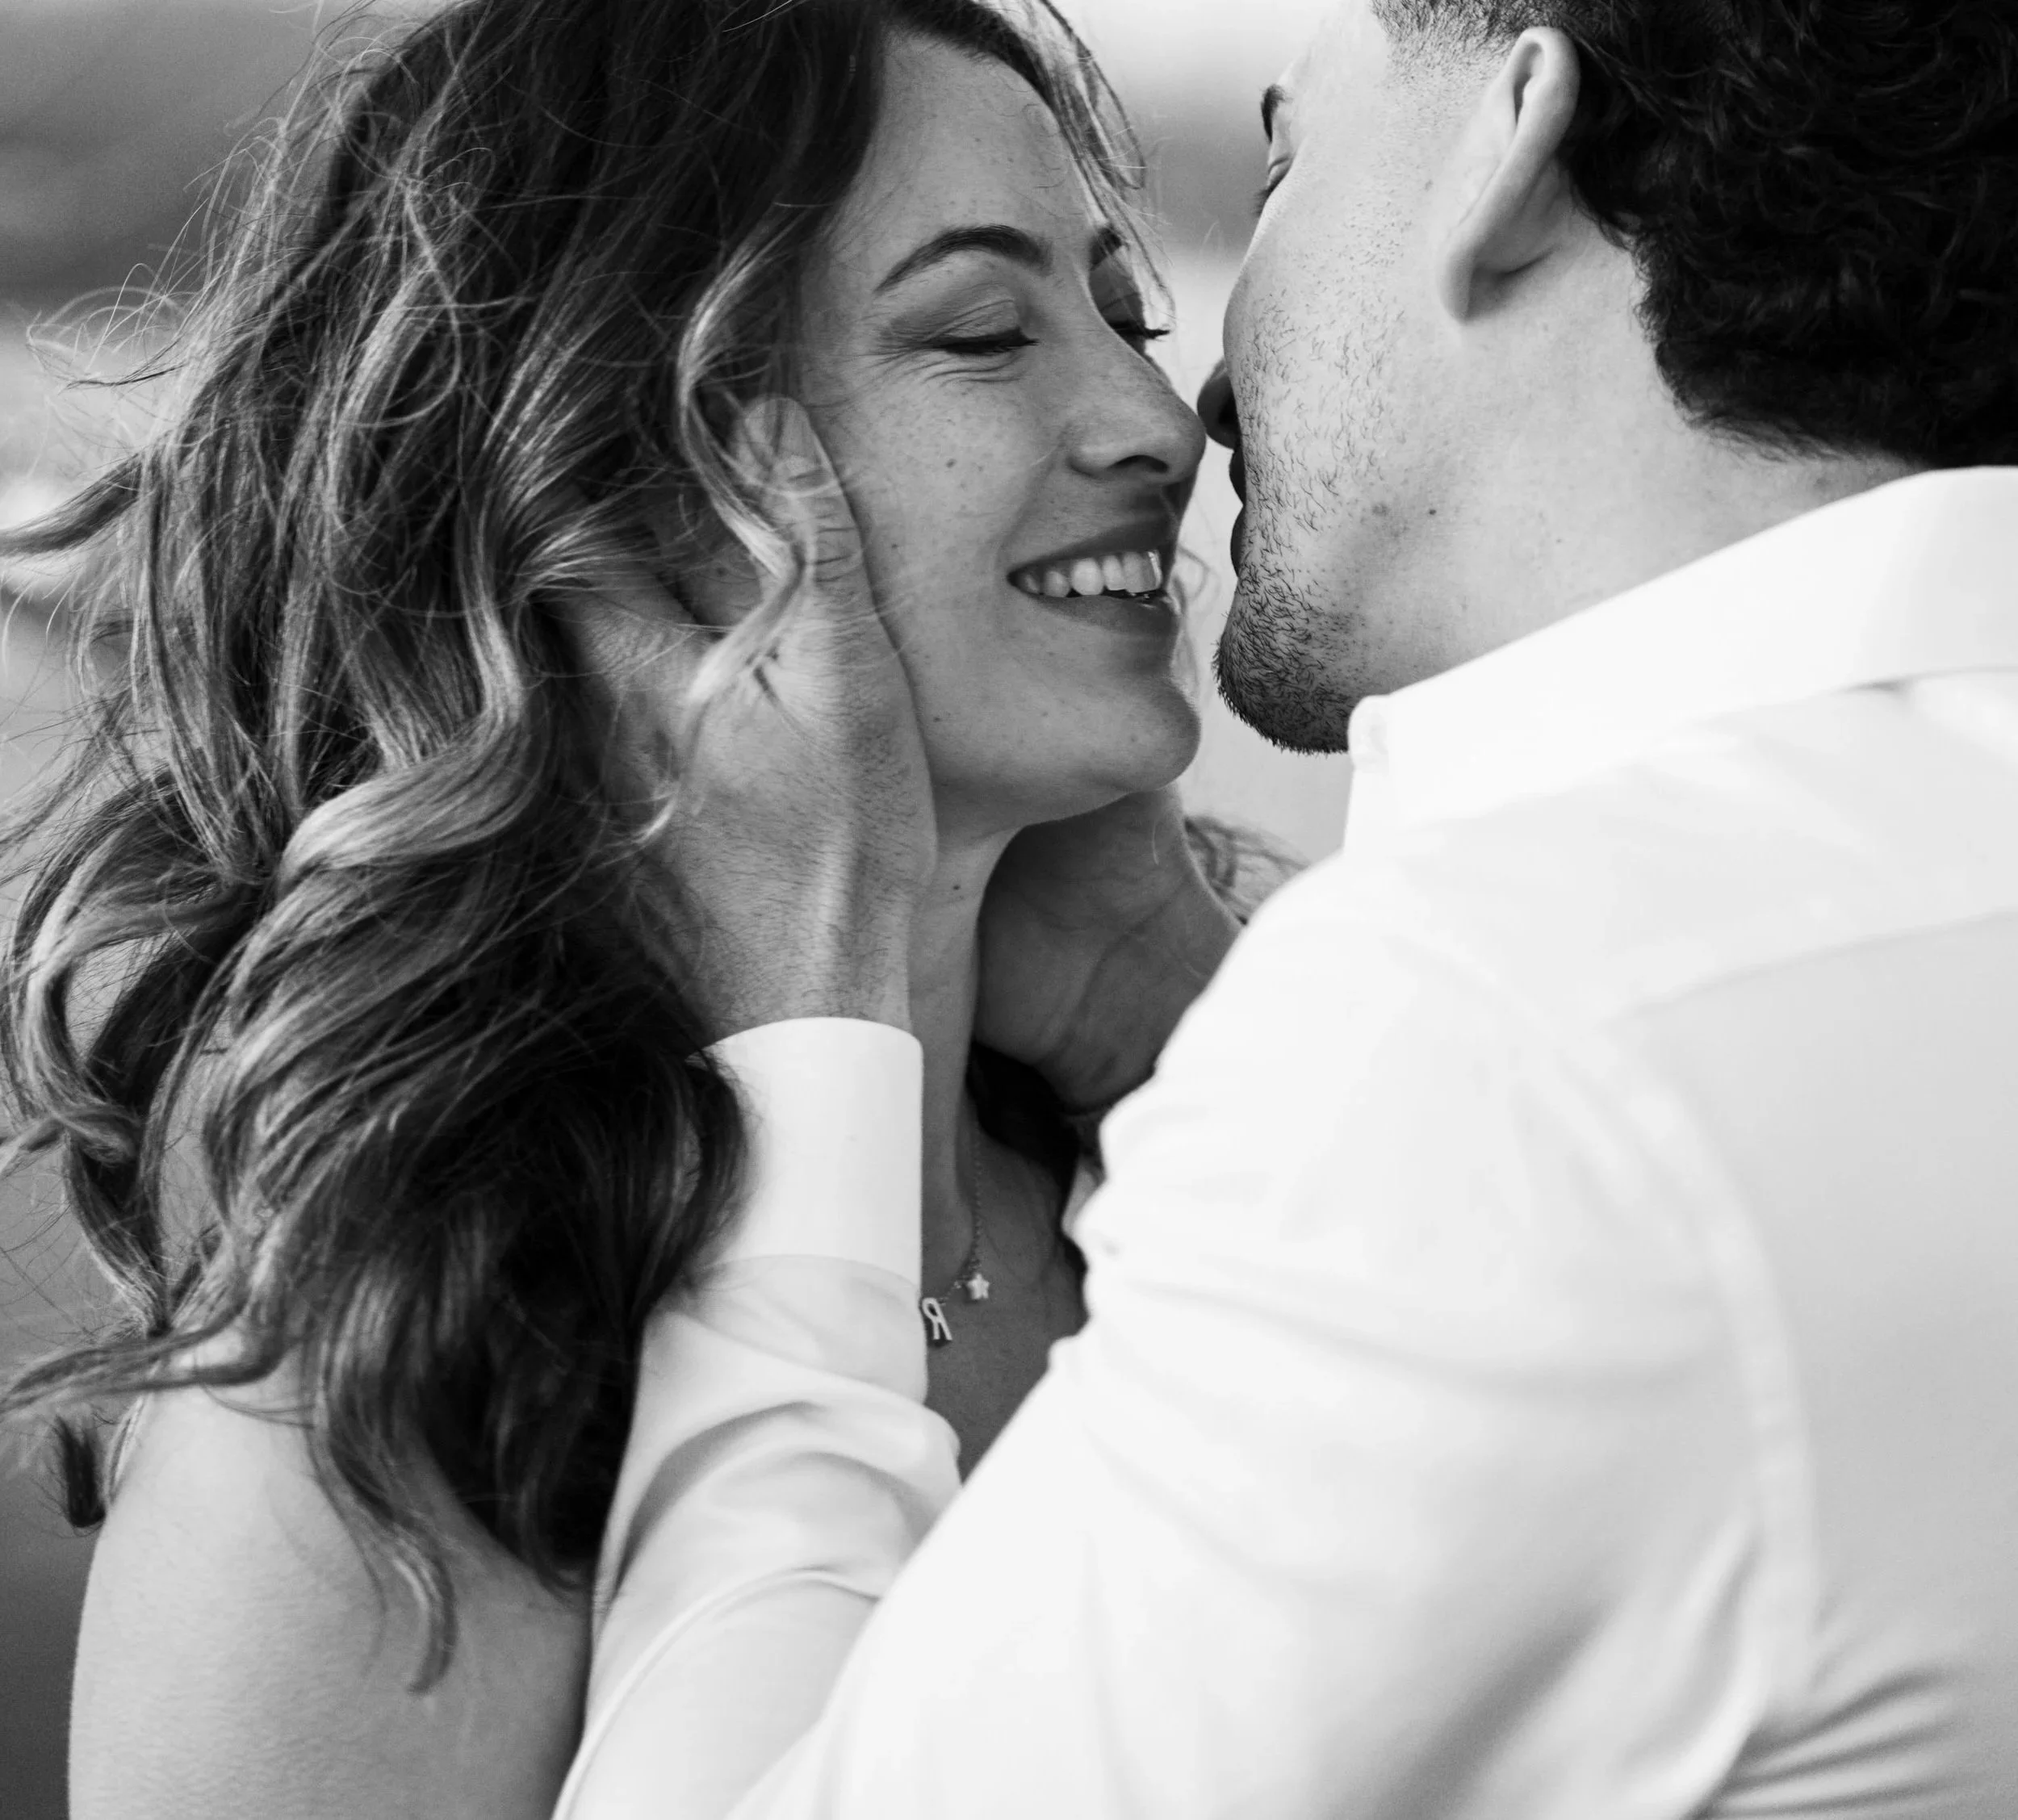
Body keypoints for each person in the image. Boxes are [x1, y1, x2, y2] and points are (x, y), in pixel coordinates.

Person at [566, 0, 2018, 1814]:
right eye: (981, 328)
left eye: (1281, 158)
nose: (1182, 408)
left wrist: (810, 1001)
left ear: (1506, 137)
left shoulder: (1494, 1051)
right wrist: (1173, 1014)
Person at [0, 2, 1252, 1814]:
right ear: (616, 498)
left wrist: (1184, 1016)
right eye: (981, 332)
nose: (1154, 418)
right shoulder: (389, 1384)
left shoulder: (1180, 1149)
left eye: (1125, 314)